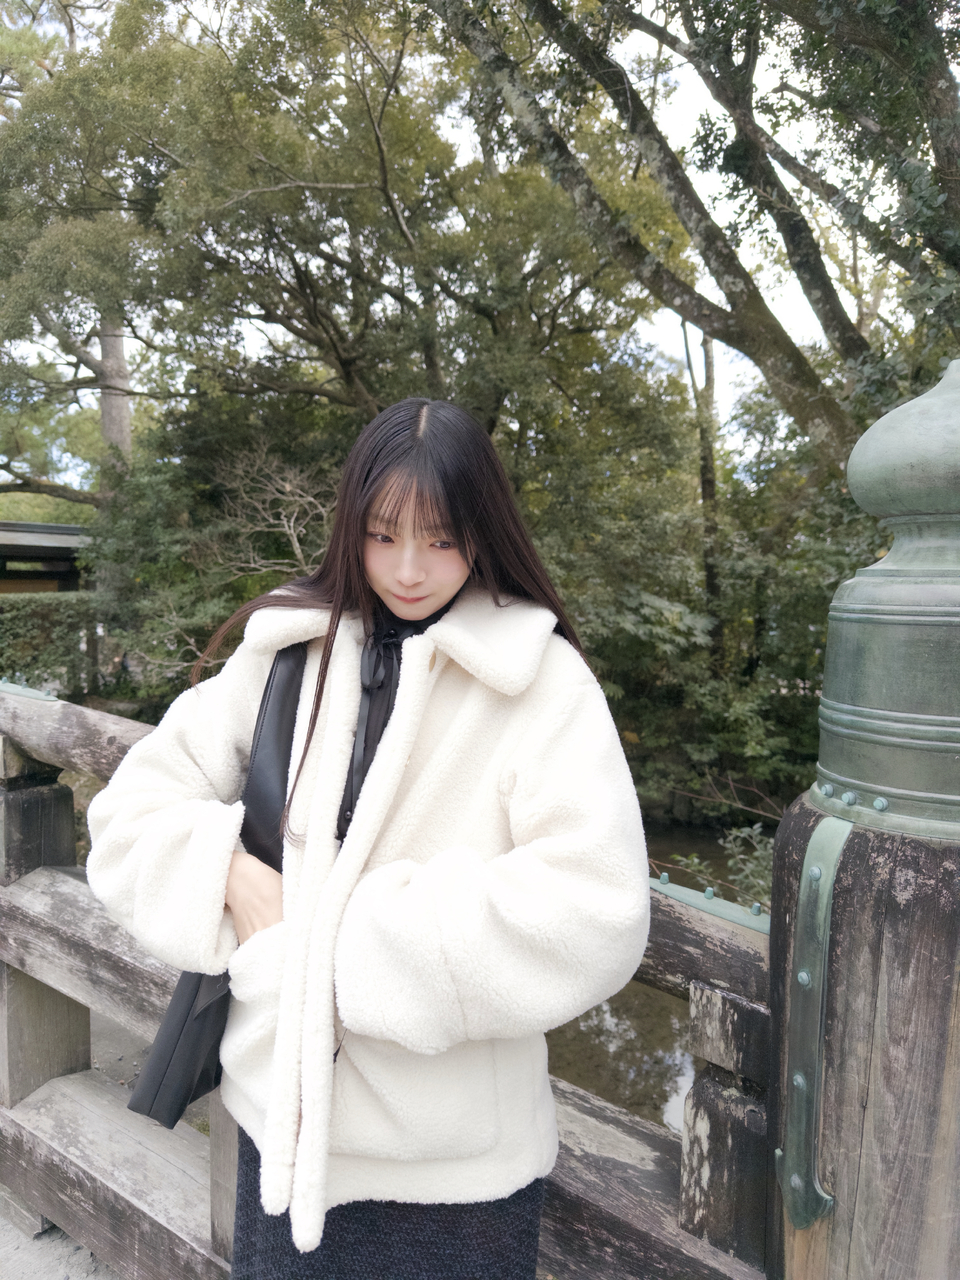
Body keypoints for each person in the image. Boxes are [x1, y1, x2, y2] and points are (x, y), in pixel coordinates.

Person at [86, 398, 650, 1279]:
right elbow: (130, 814)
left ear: (484, 531)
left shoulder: (540, 681)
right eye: (383, 536)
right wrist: (234, 877)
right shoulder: (288, 650)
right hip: (282, 1131)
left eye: (441, 539)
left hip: (452, 1167)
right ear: (351, 525)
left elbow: (595, 909)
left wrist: (341, 952)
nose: (409, 569)